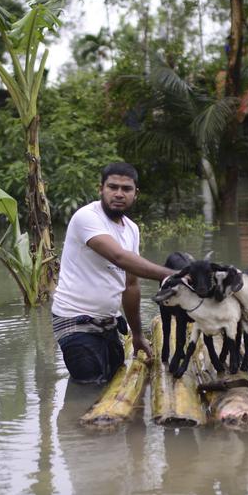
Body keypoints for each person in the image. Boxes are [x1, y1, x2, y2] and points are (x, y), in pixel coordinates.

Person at [51, 162, 174, 384]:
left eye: (126, 189)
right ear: (101, 189)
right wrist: (171, 276)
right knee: (89, 390)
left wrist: (136, 335)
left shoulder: (131, 229)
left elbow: (130, 285)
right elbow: (119, 257)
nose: (119, 194)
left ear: (136, 194)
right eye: (112, 187)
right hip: (75, 322)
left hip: (108, 324)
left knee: (113, 382)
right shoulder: (86, 217)